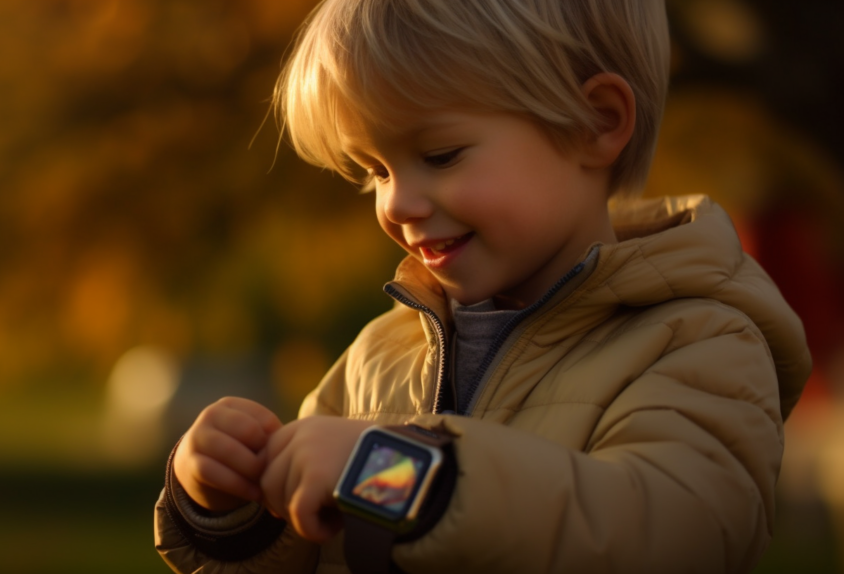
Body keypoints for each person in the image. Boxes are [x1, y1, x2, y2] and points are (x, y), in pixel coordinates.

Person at [154, 0, 812, 572]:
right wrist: (229, 503)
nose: (397, 204)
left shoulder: (696, 342)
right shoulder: (381, 356)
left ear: (597, 123)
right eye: (374, 170)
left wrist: (400, 477)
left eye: (439, 156)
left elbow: (670, 536)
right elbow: (305, 542)